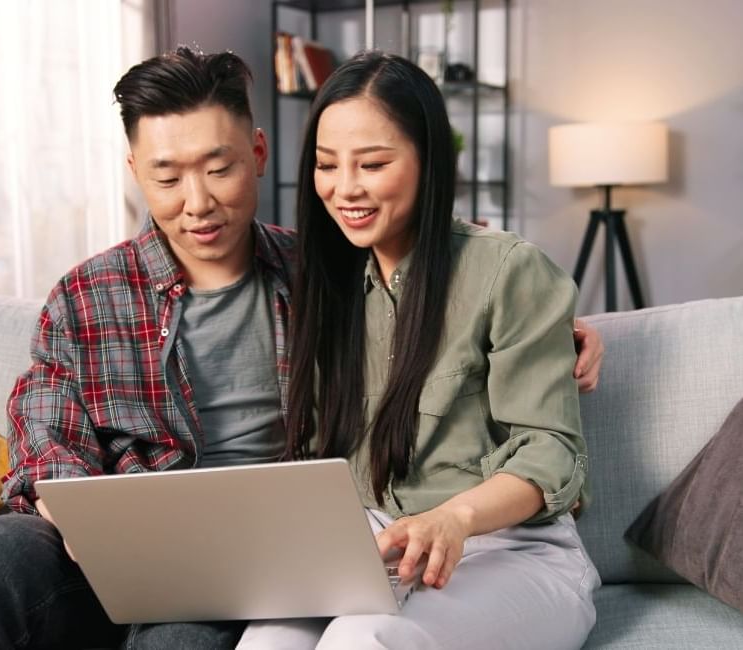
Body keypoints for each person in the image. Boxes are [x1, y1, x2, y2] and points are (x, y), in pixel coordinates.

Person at [0, 48, 602, 650]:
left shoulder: (316, 275)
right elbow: (44, 438)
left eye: (218, 168)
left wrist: (561, 330)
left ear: (259, 154)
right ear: (135, 169)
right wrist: (92, 521)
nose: (196, 201)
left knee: (193, 638)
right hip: (111, 543)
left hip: (253, 559)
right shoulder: (91, 295)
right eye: (167, 177)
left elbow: (456, 300)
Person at [237, 51, 601, 649]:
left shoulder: (506, 269)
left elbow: (551, 449)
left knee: (363, 640)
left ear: (428, 161)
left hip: (515, 553)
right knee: (265, 643)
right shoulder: (327, 283)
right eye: (327, 165)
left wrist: (454, 517)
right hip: (377, 546)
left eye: (373, 164)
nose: (344, 188)